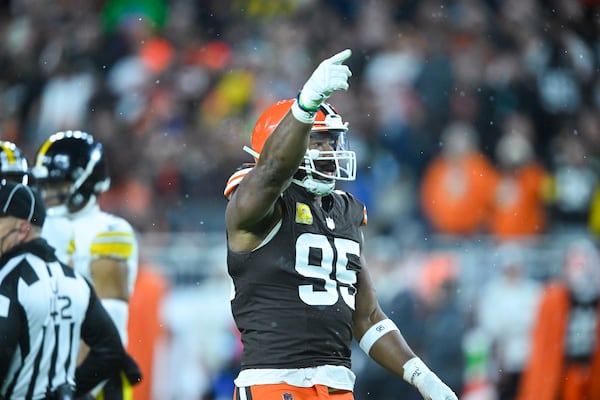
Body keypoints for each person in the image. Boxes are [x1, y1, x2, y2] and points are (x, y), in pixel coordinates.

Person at [224, 49, 458, 400]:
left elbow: (367, 319)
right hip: (275, 382)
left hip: (336, 384)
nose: (330, 152)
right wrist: (304, 106)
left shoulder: (345, 211)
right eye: (316, 142)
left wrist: (421, 376)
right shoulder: (257, 205)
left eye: (332, 142)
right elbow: (272, 172)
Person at [0, 181, 138, 399]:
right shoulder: (76, 281)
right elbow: (111, 351)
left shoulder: (7, 281)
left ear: (23, 228)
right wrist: (70, 390)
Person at [31, 131, 140, 399]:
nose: (48, 193)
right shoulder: (41, 228)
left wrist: (77, 384)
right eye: (44, 184)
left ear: (85, 181)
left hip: (96, 379)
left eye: (56, 184)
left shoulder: (109, 231)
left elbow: (109, 323)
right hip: (50, 373)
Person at [517, 236, 600, 400]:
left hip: (589, 373)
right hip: (561, 373)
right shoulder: (554, 299)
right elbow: (543, 344)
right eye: (578, 266)